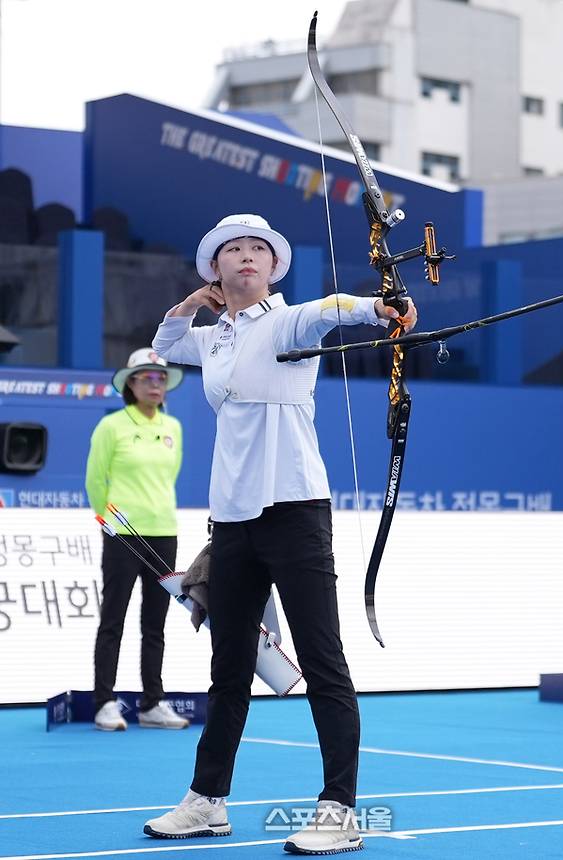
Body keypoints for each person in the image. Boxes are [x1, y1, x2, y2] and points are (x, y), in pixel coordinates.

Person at [142, 214, 417, 854]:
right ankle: (207, 801)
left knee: (322, 660)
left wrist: (384, 308)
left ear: (272, 267)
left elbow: (334, 309)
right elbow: (165, 341)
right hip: (231, 519)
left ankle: (339, 810)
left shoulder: (288, 320)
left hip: (295, 510)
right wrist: (190, 303)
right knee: (229, 668)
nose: (245, 257)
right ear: (216, 270)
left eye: (257, 250)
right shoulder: (212, 339)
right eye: (231, 251)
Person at [86, 348, 189, 731]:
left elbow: (169, 477)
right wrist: (108, 520)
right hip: (122, 535)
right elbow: (95, 481)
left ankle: (152, 703)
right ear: (131, 383)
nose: (156, 384)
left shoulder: (173, 428)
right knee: (113, 618)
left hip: (164, 532)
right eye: (147, 377)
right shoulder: (111, 426)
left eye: (161, 378)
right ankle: (104, 701)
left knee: (155, 623)